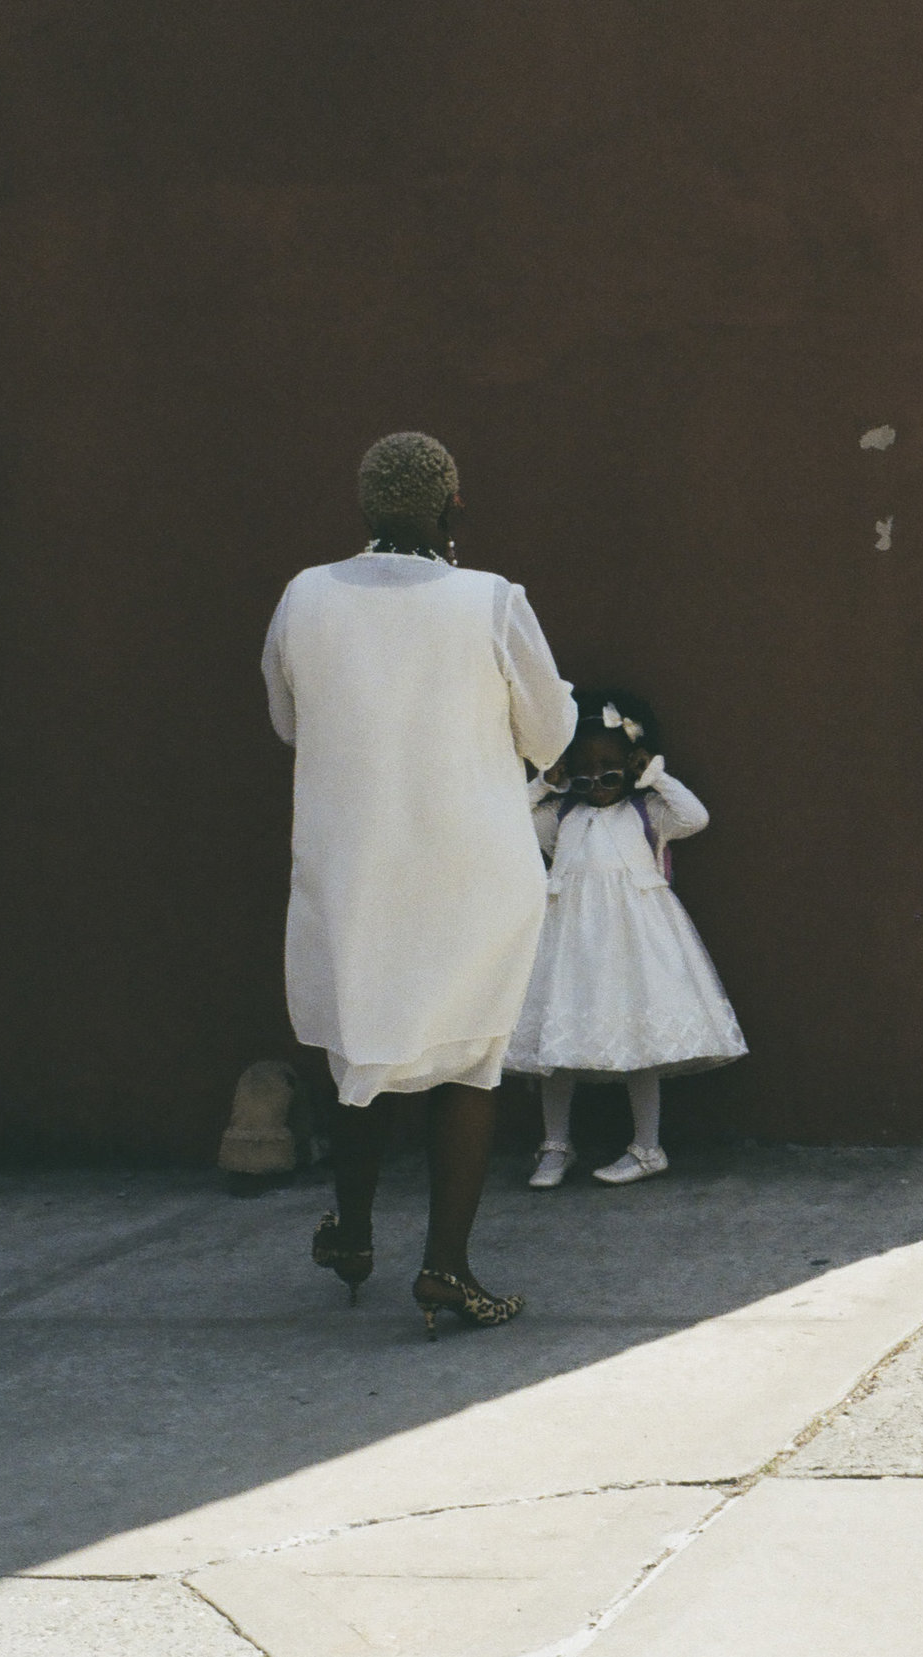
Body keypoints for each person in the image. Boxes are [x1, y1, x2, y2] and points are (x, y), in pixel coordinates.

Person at [267, 432, 576, 1336]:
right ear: (454, 514)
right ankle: (447, 1269)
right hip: (474, 867)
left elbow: (288, 718)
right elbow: (552, 735)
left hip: (355, 862)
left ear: (365, 511)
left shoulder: (304, 596)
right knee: (469, 1063)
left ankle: (353, 1234)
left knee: (361, 1055)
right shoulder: (490, 600)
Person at [510, 688, 747, 1188]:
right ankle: (555, 1145)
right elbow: (512, 822)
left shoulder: (647, 813)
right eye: (584, 769)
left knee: (643, 1040)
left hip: (635, 943)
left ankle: (647, 1146)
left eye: (611, 769)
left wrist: (654, 775)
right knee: (556, 1044)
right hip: (569, 942)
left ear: (631, 766)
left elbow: (695, 818)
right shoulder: (562, 817)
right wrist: (543, 784)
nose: (597, 781)